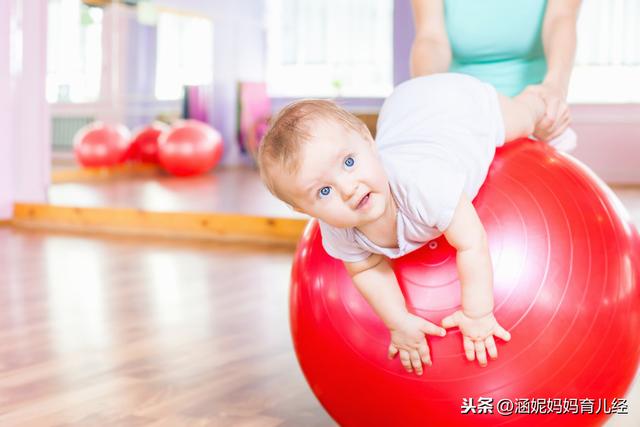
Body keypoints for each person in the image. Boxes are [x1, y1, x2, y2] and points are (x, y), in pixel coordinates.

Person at [257, 73, 554, 376]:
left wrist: (478, 313)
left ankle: (536, 98)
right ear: (302, 209)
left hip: (455, 109)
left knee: (522, 122)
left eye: (348, 162)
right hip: (409, 114)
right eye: (324, 191)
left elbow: (471, 242)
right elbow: (366, 268)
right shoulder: (336, 228)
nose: (348, 189)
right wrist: (398, 322)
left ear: (367, 140)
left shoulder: (425, 185)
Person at [410, 0, 581, 145]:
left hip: (536, 105)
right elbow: (431, 37)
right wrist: (429, 94)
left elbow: (561, 18)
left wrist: (554, 87)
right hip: (462, 111)